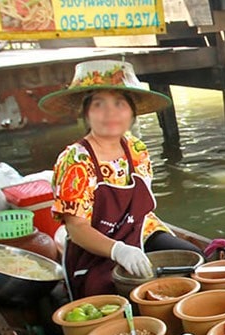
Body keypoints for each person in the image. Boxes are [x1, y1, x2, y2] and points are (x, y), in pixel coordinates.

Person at [40, 60, 203, 298]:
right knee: (117, 295)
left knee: (194, 262)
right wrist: (119, 250)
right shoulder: (75, 160)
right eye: (99, 104)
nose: (111, 113)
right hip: (96, 249)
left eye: (120, 104)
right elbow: (77, 229)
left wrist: (135, 246)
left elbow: (142, 212)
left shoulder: (137, 149)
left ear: (132, 112)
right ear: (86, 113)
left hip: (142, 232)